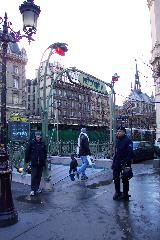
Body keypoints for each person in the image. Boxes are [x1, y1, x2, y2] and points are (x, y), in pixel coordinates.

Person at [112, 126, 133, 201]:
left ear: (124, 132)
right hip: (117, 161)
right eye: (117, 131)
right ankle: (117, 192)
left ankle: (125, 194)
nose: (118, 132)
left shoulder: (128, 141)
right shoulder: (117, 140)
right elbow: (116, 153)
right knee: (115, 177)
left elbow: (130, 153)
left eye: (119, 131)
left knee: (125, 178)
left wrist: (126, 162)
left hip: (125, 162)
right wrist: (113, 163)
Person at [25, 131, 47, 196]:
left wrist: (44, 159)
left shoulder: (43, 144)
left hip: (40, 163)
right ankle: (32, 190)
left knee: (39, 176)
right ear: (35, 136)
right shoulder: (31, 143)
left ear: (40, 136)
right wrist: (27, 160)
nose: (38, 136)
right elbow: (27, 151)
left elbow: (45, 152)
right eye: (37, 135)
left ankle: (37, 188)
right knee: (33, 176)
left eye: (39, 135)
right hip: (34, 163)